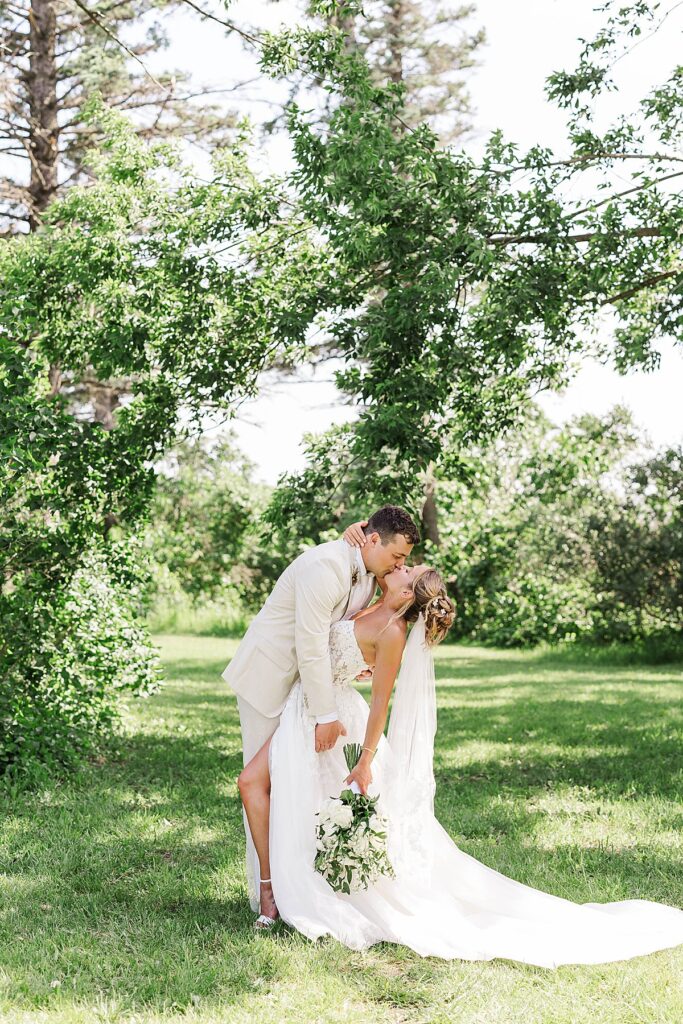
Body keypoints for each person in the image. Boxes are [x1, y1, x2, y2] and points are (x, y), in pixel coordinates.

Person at [235, 523, 683, 968]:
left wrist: (366, 760)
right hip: (309, 709)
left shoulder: (392, 633)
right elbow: (337, 629)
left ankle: (284, 894)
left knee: (272, 790)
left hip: (330, 718)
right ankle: (278, 889)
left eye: (407, 569)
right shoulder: (368, 593)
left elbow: (381, 704)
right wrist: (359, 531)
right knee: (282, 794)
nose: (402, 566)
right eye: (402, 560)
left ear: (407, 593)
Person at [222, 505, 421, 916]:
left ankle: (301, 886)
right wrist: (326, 715)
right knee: (263, 785)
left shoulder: (372, 573)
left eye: (404, 560)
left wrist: (356, 661)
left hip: (309, 688)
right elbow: (311, 644)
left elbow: (350, 629)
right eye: (397, 557)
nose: (400, 565)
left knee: (297, 785)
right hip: (270, 678)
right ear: (372, 540)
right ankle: (268, 891)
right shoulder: (324, 567)